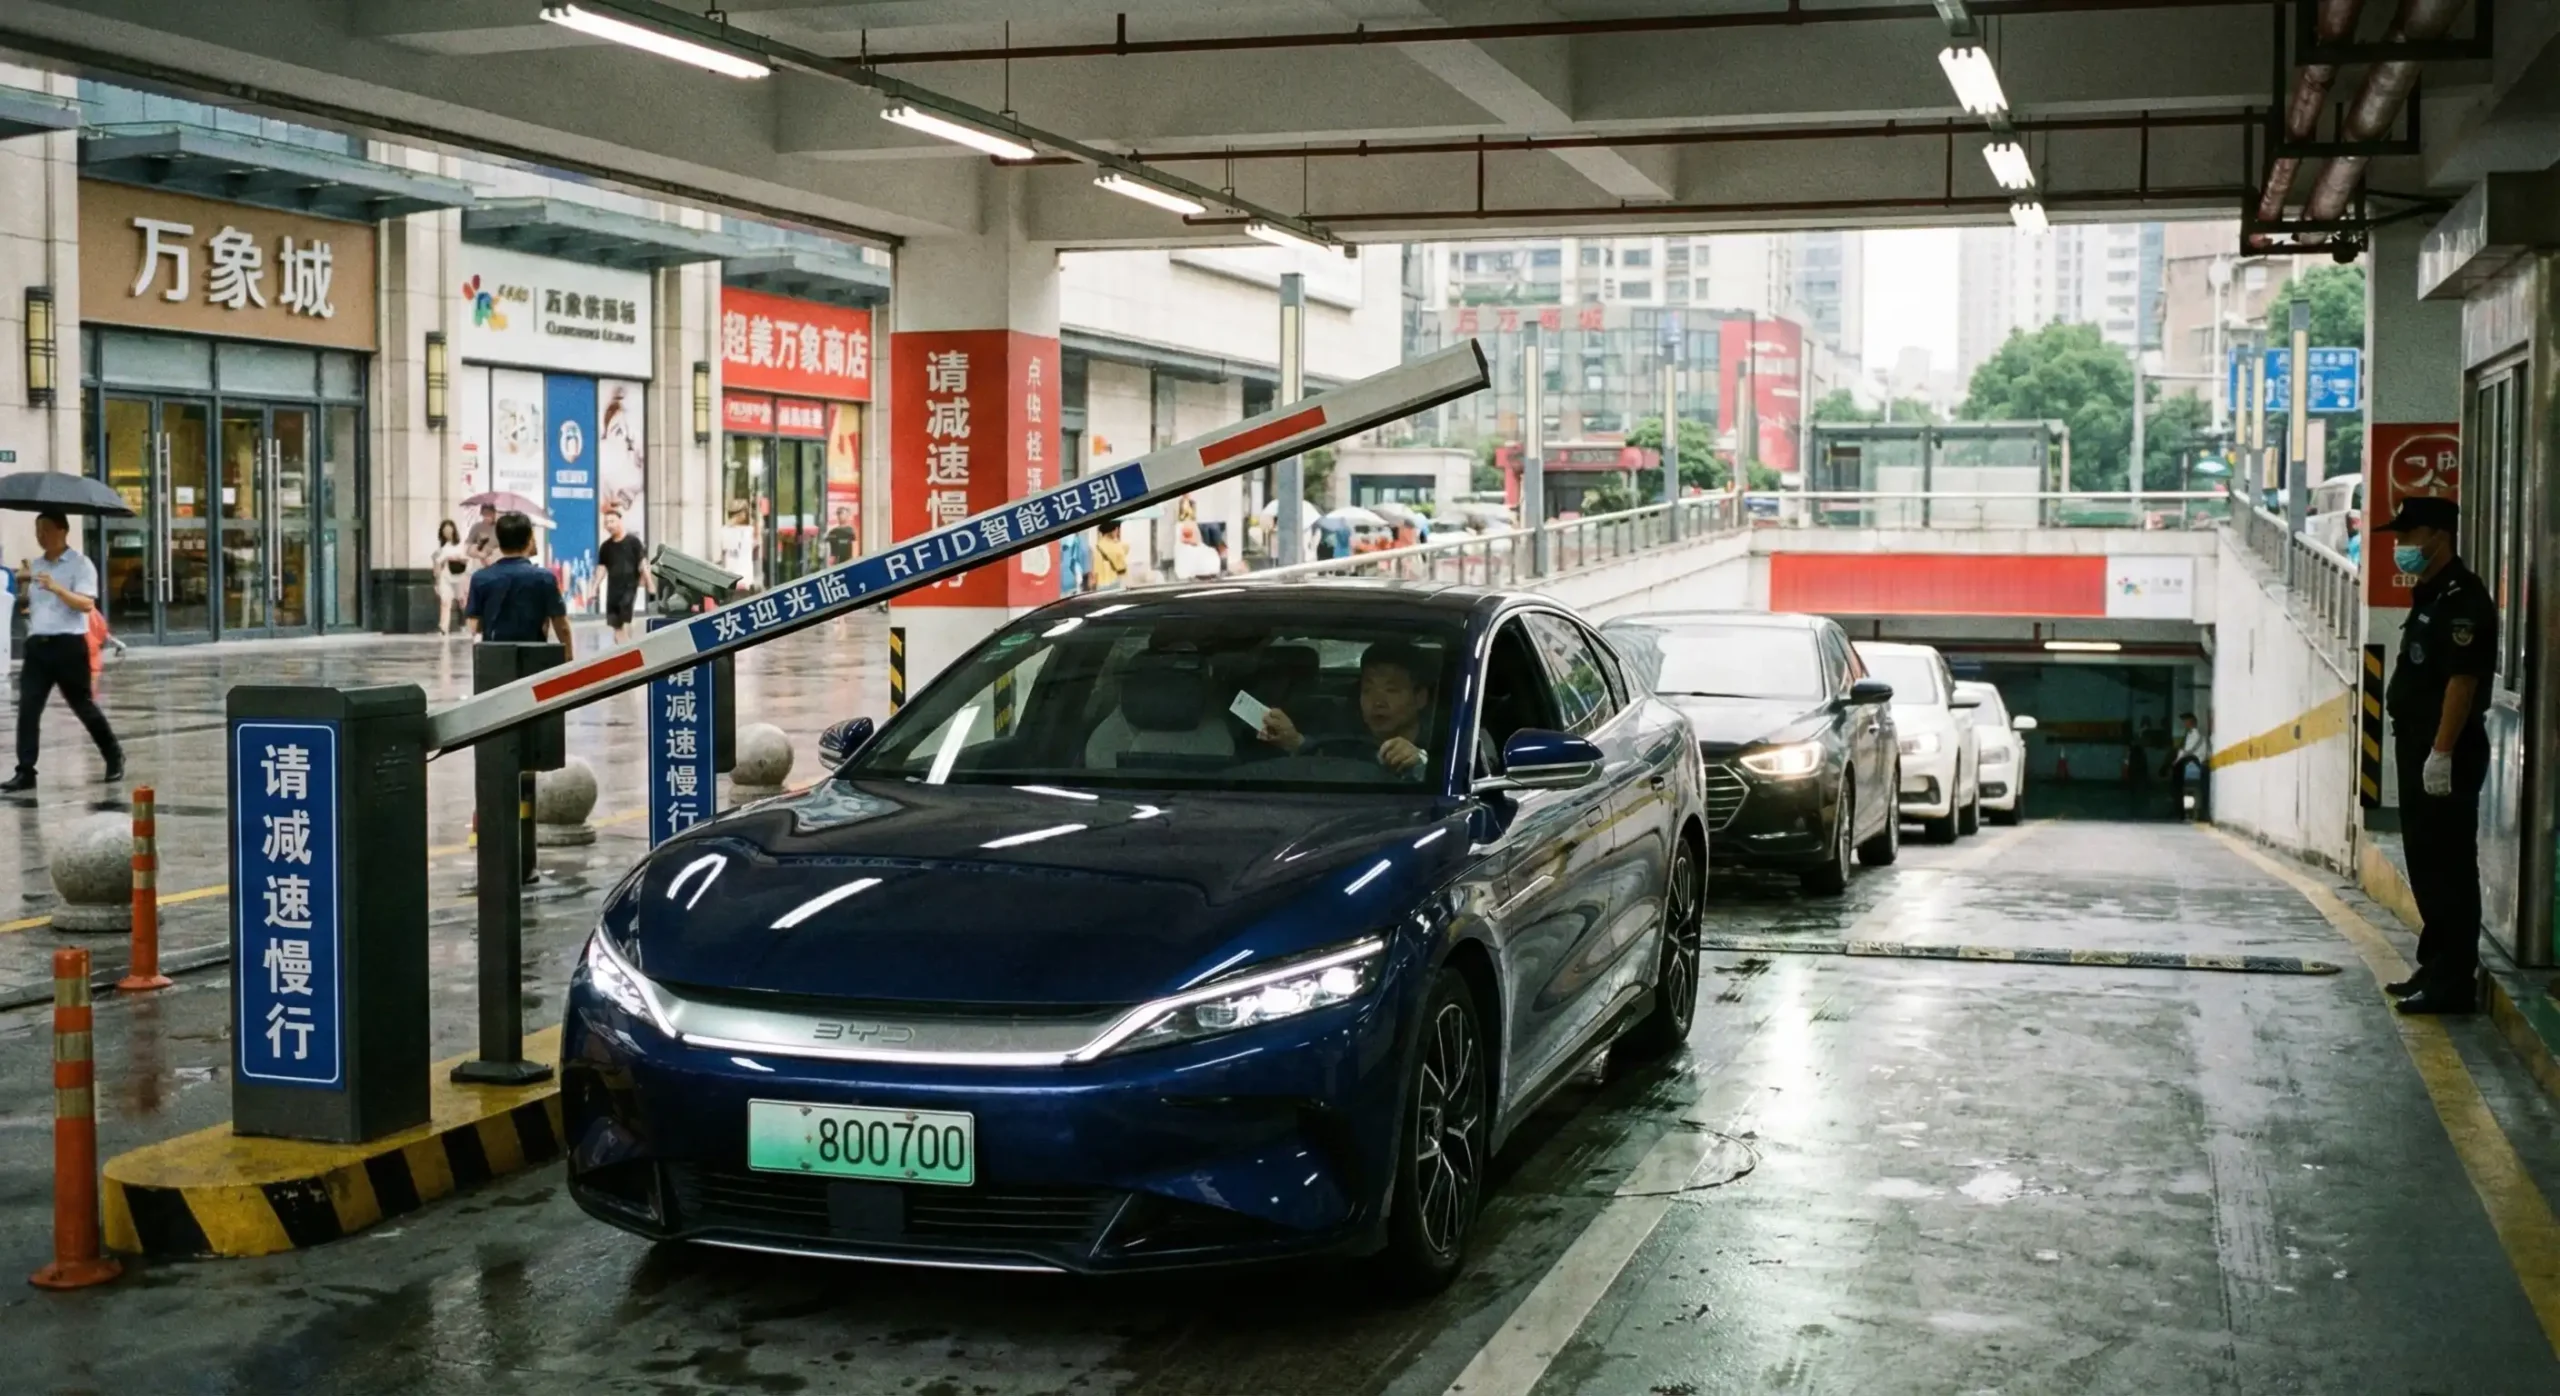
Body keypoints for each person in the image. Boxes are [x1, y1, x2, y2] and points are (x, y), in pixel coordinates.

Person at [2379, 496, 2495, 1015]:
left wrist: (2442, 753)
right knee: (2425, 862)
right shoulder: (2429, 595)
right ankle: (2435, 964)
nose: (2401, 546)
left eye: (2408, 536)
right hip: (2420, 747)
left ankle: (2453, 981)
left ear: (2438, 537)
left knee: (2448, 863)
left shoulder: (2462, 598)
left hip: (2445, 749)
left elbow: (2461, 682)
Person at [4, 511, 125, 794]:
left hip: (68, 646)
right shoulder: (36, 565)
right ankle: (25, 770)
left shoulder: (81, 565)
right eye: (37, 531)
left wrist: (56, 587)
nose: (40, 536)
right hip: (37, 647)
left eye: (45, 530)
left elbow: (85, 604)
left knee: (82, 706)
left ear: (63, 531)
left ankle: (113, 754)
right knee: (28, 709)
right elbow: (34, 603)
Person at [1256, 641, 1435, 779]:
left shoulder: (1447, 743)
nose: (1378, 702)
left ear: (1420, 698)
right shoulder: (1346, 738)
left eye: (1391, 690)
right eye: (1368, 690)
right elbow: (1325, 755)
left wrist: (1420, 764)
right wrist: (1294, 742)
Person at [465, 511, 575, 655]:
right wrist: (568, 657)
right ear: (530, 539)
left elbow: (474, 626)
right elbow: (562, 626)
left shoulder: (481, 578)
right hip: (534, 656)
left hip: (494, 658)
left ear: (499, 540)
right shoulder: (545, 578)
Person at [596, 509, 650, 643]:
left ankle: (627, 647)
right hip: (613, 590)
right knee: (616, 626)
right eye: (606, 522)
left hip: (630, 587)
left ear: (620, 521)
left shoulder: (634, 542)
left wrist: (647, 581)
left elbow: (643, 562)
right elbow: (602, 568)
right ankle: (623, 649)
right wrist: (594, 586)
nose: (609, 525)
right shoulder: (605, 547)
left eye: (612, 521)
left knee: (625, 619)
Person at [431, 519, 472, 637]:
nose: (447, 533)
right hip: (446, 576)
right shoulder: (441, 547)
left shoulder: (461, 545)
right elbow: (437, 563)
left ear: (454, 531)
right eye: (445, 531)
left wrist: (456, 558)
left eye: (449, 530)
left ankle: (466, 625)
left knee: (462, 603)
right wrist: (437, 579)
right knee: (445, 601)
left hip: (460, 576)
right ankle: (443, 627)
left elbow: (467, 559)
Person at [2164, 711, 2208, 817]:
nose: (2185, 724)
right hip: (2191, 761)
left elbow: (2187, 751)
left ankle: (2185, 811)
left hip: (2198, 763)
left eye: (2186, 721)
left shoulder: (2196, 734)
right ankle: (2179, 808)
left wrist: (2175, 761)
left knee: (2194, 789)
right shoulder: (2189, 734)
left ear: (2191, 722)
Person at [1087, 520, 1128, 592]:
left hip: (1100, 586)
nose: (1117, 531)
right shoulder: (1118, 546)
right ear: (1113, 530)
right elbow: (1122, 568)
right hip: (1115, 584)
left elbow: (1094, 571)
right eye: (1117, 529)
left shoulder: (1097, 547)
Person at [464, 503, 501, 569]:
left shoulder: (499, 527)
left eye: (490, 514)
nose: (487, 516)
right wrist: (479, 554)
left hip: (496, 561)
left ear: (494, 513)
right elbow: (468, 547)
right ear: (481, 514)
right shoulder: (476, 527)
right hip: (480, 562)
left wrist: (493, 551)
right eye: (485, 514)